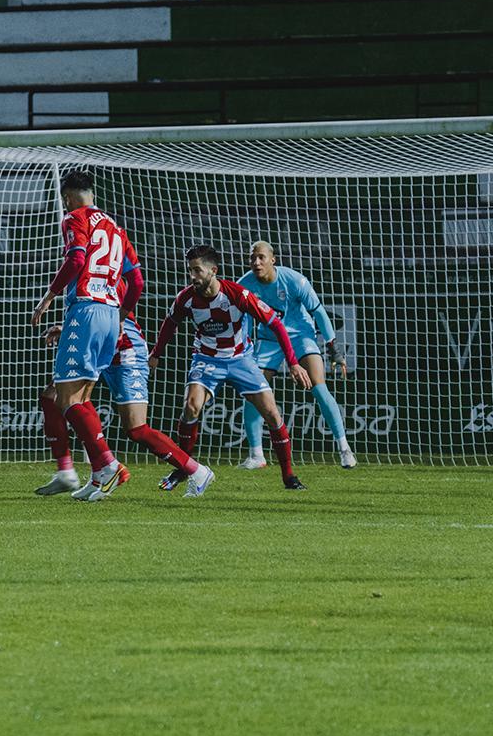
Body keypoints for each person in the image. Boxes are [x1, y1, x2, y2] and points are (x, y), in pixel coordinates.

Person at [35, 244, 216, 499]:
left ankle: (196, 471)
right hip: (103, 350)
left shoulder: (108, 276)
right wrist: (66, 328)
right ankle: (96, 473)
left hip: (126, 351)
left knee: (136, 429)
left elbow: (105, 319)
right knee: (57, 397)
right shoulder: (93, 273)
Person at [150, 244, 314, 490]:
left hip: (240, 359)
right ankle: (184, 469)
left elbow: (276, 324)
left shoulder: (238, 294)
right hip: (206, 358)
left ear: (213, 270)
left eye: (197, 271)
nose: (192, 276)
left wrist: (292, 363)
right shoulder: (186, 298)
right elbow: (169, 323)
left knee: (272, 413)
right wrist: (155, 354)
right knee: (191, 406)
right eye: (190, 271)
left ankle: (289, 476)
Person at [30, 170, 136, 502]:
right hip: (110, 314)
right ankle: (80, 473)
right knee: (66, 397)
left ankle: (107, 465)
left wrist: (48, 298)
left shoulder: (74, 218)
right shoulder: (117, 228)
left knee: (67, 400)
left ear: (67, 197)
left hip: (86, 309)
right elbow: (138, 282)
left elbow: (76, 259)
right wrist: (119, 318)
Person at [236, 240, 357, 470]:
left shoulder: (294, 280)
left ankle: (344, 449)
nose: (256, 262)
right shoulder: (245, 284)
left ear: (273, 259)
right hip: (269, 340)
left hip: (301, 337)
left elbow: (319, 313)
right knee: (253, 391)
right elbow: (237, 316)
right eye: (252, 258)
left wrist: (335, 351)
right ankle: (256, 455)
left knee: (319, 386)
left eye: (261, 257)